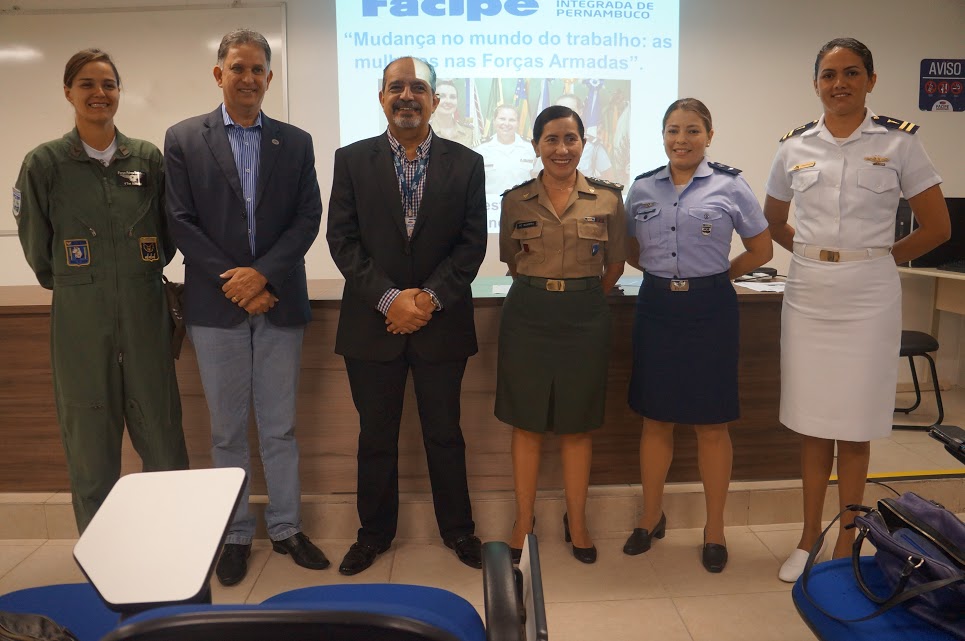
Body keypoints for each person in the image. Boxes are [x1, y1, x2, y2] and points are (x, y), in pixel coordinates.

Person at [764, 38, 950, 582]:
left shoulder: (900, 144)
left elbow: (937, 227)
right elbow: (774, 220)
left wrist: (878, 258)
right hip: (809, 291)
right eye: (827, 74)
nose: (838, 83)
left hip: (869, 292)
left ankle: (847, 538)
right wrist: (813, 253)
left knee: (854, 421)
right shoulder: (793, 147)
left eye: (850, 73)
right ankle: (806, 537)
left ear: (870, 80)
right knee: (811, 420)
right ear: (815, 82)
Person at [164, 29, 326, 586]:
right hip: (217, 307)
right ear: (219, 75)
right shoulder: (184, 139)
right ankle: (235, 535)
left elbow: (308, 217)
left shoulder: (296, 142)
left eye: (258, 69)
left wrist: (263, 275)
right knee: (228, 432)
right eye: (238, 68)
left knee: (279, 427)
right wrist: (236, 282)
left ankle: (286, 528)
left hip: (278, 300)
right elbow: (179, 220)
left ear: (269, 78)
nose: (249, 78)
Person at [13, 49, 189, 534]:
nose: (99, 93)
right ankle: (103, 554)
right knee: (89, 444)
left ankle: (175, 545)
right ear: (68, 92)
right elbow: (39, 251)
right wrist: (82, 285)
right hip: (80, 320)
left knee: (163, 438)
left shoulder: (148, 159)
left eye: (108, 84)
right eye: (87, 84)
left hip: (144, 312)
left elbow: (169, 236)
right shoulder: (44, 164)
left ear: (119, 92)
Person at [327, 56, 487, 576]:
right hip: (372, 327)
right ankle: (373, 534)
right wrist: (390, 299)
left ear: (435, 100)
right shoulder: (351, 160)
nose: (407, 95)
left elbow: (470, 246)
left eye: (418, 87)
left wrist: (426, 300)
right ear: (381, 97)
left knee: (445, 433)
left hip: (441, 325)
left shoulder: (467, 163)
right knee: (376, 436)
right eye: (396, 86)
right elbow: (342, 241)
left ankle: (459, 531)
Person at [623, 98, 772, 573]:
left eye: (691, 130)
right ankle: (650, 517)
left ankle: (714, 528)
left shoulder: (730, 185)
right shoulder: (643, 187)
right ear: (662, 135)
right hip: (657, 305)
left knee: (712, 422)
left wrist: (719, 274)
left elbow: (762, 248)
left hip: (711, 308)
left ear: (709, 135)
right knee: (655, 418)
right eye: (672, 130)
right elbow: (629, 248)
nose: (680, 139)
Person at [497, 105, 627, 565]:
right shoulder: (515, 200)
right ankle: (523, 520)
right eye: (551, 139)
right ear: (536, 146)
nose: (561, 149)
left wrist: (576, 294)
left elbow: (615, 265)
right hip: (528, 313)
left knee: (577, 422)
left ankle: (579, 519)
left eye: (570, 139)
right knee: (527, 421)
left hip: (585, 315)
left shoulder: (609, 199)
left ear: (582, 145)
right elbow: (512, 260)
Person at [532, 94, 613, 180]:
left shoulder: (593, 146)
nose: (563, 115)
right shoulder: (544, 143)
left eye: (570, 110)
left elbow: (609, 178)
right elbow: (535, 175)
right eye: (559, 111)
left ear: (580, 112)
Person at [475, 104, 537, 195]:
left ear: (518, 123)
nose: (506, 124)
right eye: (502, 119)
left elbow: (537, 179)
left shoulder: (531, 148)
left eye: (512, 120)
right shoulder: (480, 149)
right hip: (491, 206)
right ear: (494, 121)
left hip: (523, 206)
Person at [429, 79, 475, 147]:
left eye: (452, 97)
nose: (448, 101)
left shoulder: (468, 133)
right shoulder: (422, 132)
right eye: (442, 96)